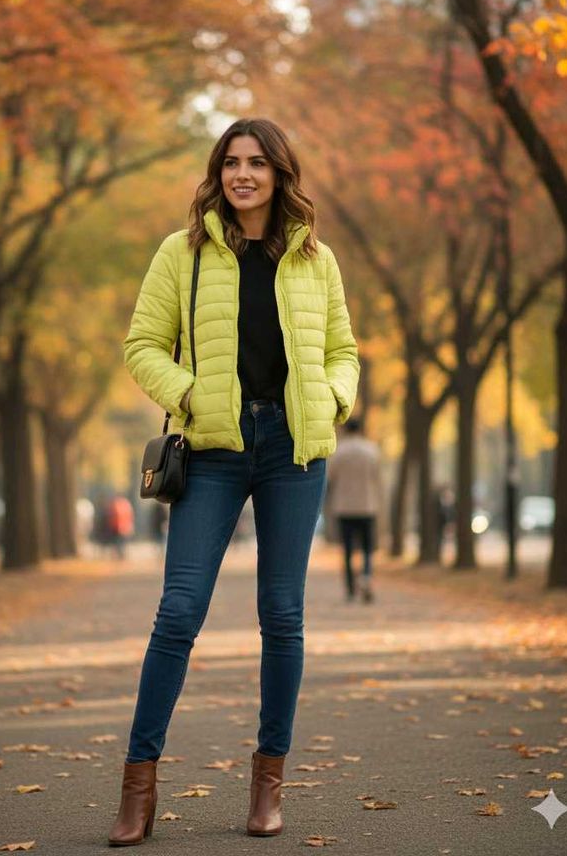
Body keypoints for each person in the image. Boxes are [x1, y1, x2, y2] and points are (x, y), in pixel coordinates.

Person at [108, 117, 360, 846]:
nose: (241, 174)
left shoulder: (316, 259)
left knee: (282, 615)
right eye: (230, 162)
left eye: (256, 163)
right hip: (212, 447)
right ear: (217, 173)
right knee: (179, 610)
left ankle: (268, 786)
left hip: (292, 449)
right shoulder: (180, 253)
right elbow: (141, 344)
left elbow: (344, 349)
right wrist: (188, 393)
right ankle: (138, 786)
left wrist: (332, 396)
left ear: (281, 173)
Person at [325, 415, 382, 604]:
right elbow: (377, 479)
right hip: (367, 506)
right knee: (367, 549)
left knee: (348, 550)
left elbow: (330, 479)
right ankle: (366, 576)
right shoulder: (371, 450)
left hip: (344, 507)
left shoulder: (338, 452)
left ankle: (350, 589)